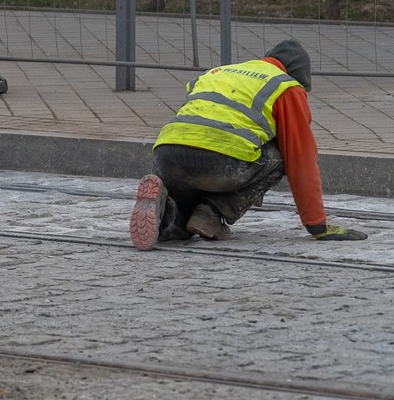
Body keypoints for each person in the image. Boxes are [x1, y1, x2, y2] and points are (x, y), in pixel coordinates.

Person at [129, 39, 368, 249]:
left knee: (186, 202)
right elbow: (301, 159)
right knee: (280, 155)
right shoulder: (286, 86)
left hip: (166, 155)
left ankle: (170, 216)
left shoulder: (218, 72)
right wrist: (317, 224)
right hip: (220, 162)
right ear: (298, 76)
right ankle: (213, 211)